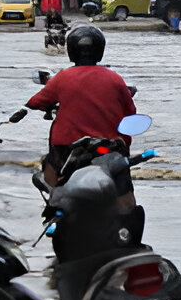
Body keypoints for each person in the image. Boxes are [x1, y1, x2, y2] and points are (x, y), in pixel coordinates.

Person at [25, 24, 135, 186]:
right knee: (123, 185)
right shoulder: (115, 79)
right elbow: (130, 112)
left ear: (72, 50)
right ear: (99, 50)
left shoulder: (62, 78)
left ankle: (54, 205)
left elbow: (36, 102)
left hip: (66, 147)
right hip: (110, 145)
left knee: (51, 179)